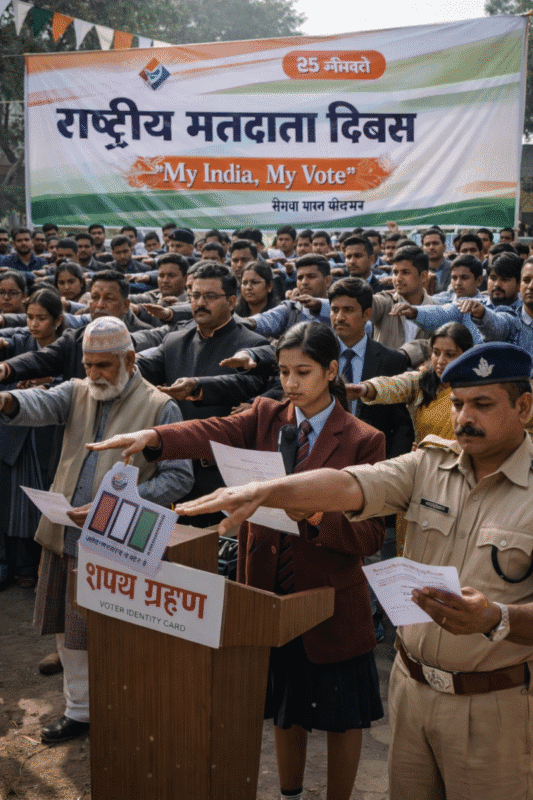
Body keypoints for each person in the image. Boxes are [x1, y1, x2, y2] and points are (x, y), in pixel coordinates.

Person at [167, 341, 533, 800]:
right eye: (457, 403)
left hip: (494, 708)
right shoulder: (428, 463)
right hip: (412, 690)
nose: (462, 418)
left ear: (524, 407)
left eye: (481, 404)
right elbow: (349, 483)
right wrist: (266, 490)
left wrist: (495, 620)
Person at [83, 321, 386, 800]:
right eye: (283, 371)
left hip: (328, 597)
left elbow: (370, 534)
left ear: (331, 371)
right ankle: (289, 794)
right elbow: (213, 429)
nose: (289, 383)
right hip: (266, 590)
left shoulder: (363, 438)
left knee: (342, 718)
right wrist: (156, 436)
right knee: (287, 710)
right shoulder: (267, 415)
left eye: (302, 371)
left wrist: (315, 513)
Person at [0, 317, 194, 744]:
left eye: (104, 365)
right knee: (68, 631)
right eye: (88, 364)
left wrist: (118, 505)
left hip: (121, 539)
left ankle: (124, 709)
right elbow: (39, 404)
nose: (94, 375)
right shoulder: (76, 391)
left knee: (118, 632)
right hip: (66, 534)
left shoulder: (161, 407)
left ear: (130, 359)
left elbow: (179, 479)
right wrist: (6, 402)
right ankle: (79, 711)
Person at [0, 288, 64, 588]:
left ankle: (46, 568)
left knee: (48, 499)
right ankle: (21, 566)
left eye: (42, 318)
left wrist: (50, 381)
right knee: (16, 503)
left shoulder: (68, 346)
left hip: (50, 435)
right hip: (17, 435)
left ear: (58, 320)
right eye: (30, 317)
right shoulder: (20, 342)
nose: (34, 324)